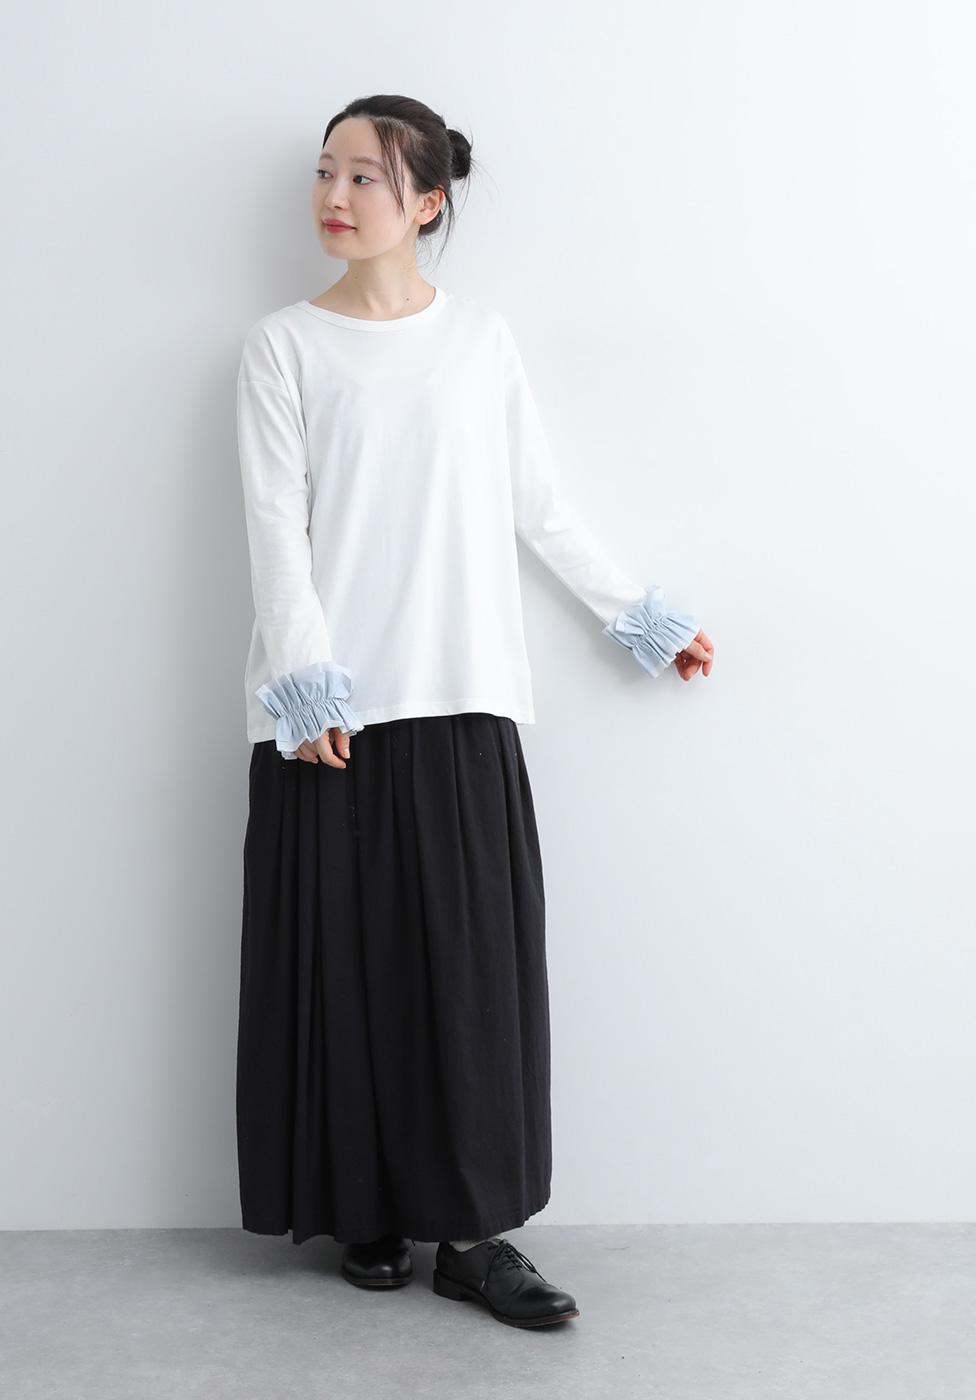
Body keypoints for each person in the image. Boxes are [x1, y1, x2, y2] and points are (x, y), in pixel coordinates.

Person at [233, 94, 714, 1331]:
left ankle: (473, 1236)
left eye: (366, 177)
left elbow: (537, 502)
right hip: (331, 713)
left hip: (461, 693)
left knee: (465, 983)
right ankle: (366, 1208)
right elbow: (276, 532)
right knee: (345, 974)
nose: (335, 196)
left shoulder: (479, 338)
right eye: (325, 171)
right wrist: (305, 684)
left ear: (428, 201)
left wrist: (643, 618)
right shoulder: (281, 346)